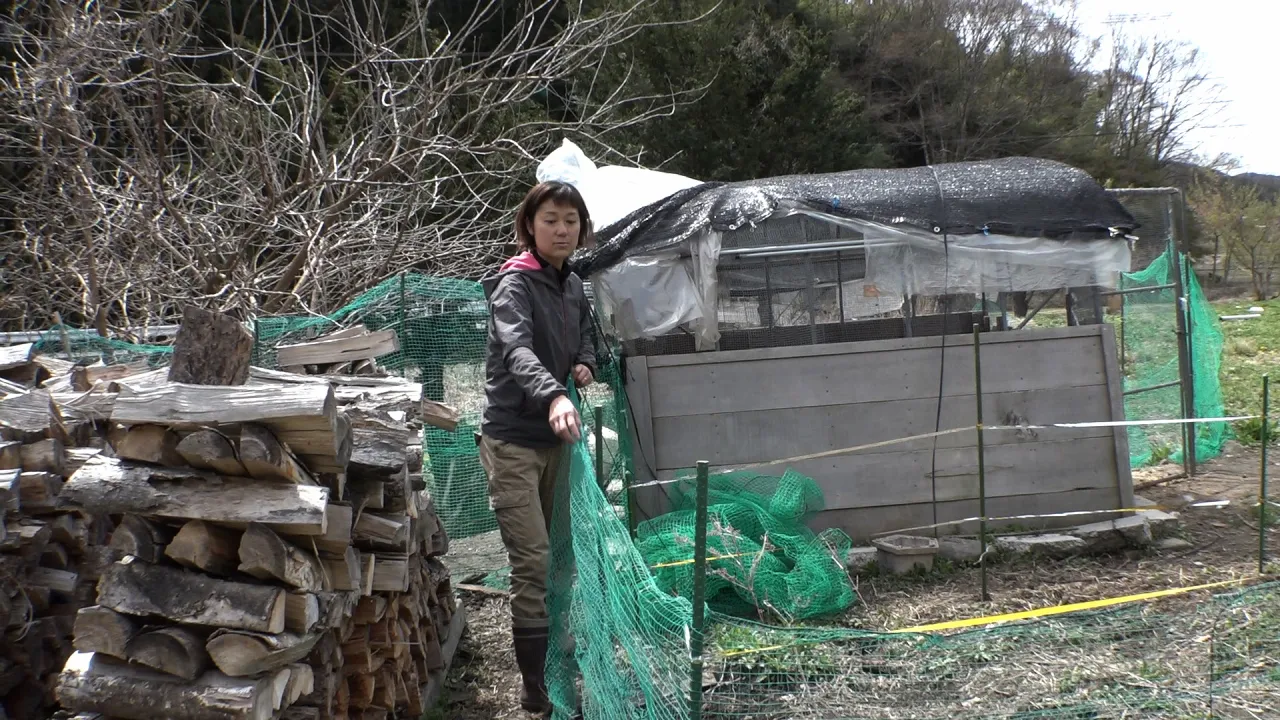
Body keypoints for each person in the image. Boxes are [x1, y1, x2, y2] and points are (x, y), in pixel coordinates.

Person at [478, 180, 595, 715]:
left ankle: (560, 649)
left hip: (558, 443)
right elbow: (517, 350)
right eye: (551, 219)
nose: (562, 229)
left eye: (570, 220)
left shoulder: (573, 285)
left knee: (563, 557)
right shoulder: (514, 286)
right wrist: (553, 394)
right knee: (533, 559)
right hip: (513, 443)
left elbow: (585, 334)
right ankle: (534, 686)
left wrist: (583, 362)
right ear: (530, 225)